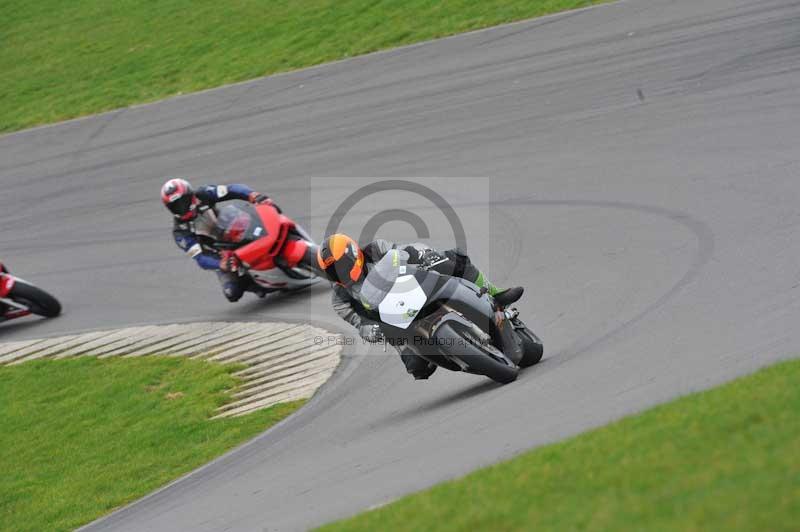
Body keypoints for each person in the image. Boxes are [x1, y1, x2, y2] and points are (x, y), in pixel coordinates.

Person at [317, 234, 523, 380]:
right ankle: (449, 354)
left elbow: (404, 251)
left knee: (454, 260)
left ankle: (494, 293)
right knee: (417, 367)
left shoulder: (375, 249)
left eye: (340, 265)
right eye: (333, 271)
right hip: (392, 322)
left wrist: (425, 255)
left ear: (353, 254)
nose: (339, 273)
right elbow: (357, 321)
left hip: (414, 288)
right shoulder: (340, 297)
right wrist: (367, 329)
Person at [161, 177, 278, 302]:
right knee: (232, 292)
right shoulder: (180, 233)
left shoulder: (203, 193)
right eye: (176, 206)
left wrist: (252, 195)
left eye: (183, 202)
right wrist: (219, 264)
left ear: (191, 195)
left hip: (232, 227)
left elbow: (231, 189)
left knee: (263, 210)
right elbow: (200, 258)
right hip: (221, 252)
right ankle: (257, 285)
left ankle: (279, 228)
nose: (182, 208)